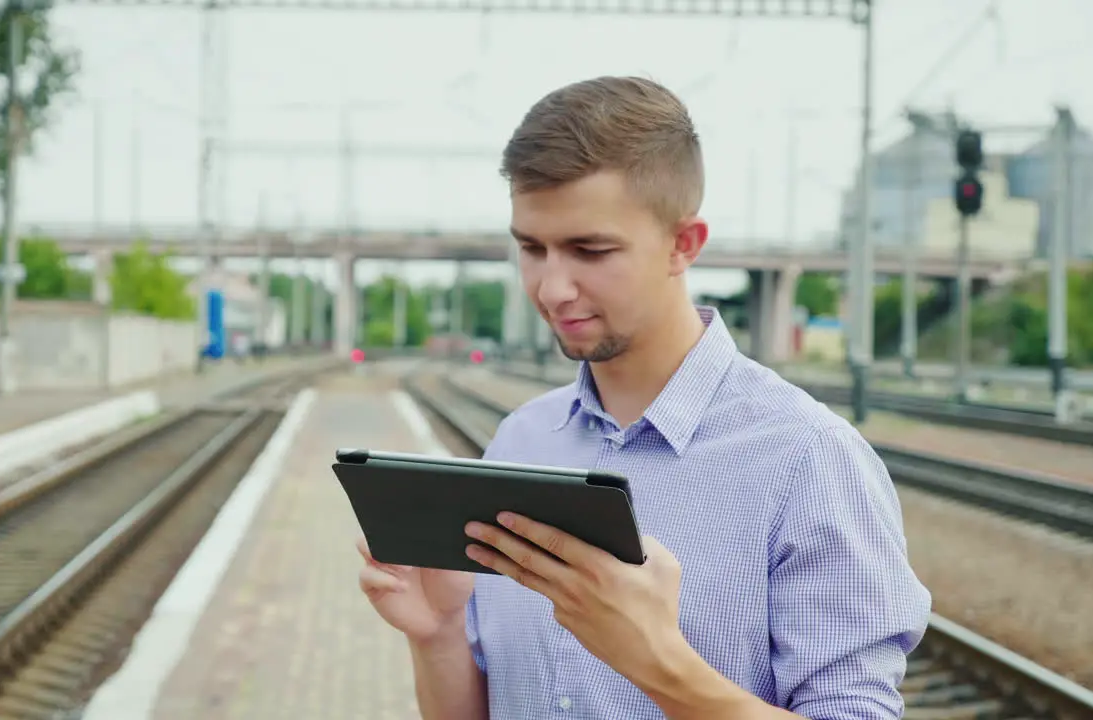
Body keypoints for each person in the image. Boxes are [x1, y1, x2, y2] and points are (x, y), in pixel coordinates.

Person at [356, 75, 931, 719]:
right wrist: (437, 637)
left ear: (683, 245)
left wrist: (659, 664)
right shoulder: (521, 440)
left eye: (590, 250)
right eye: (531, 249)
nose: (552, 289)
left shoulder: (809, 459)